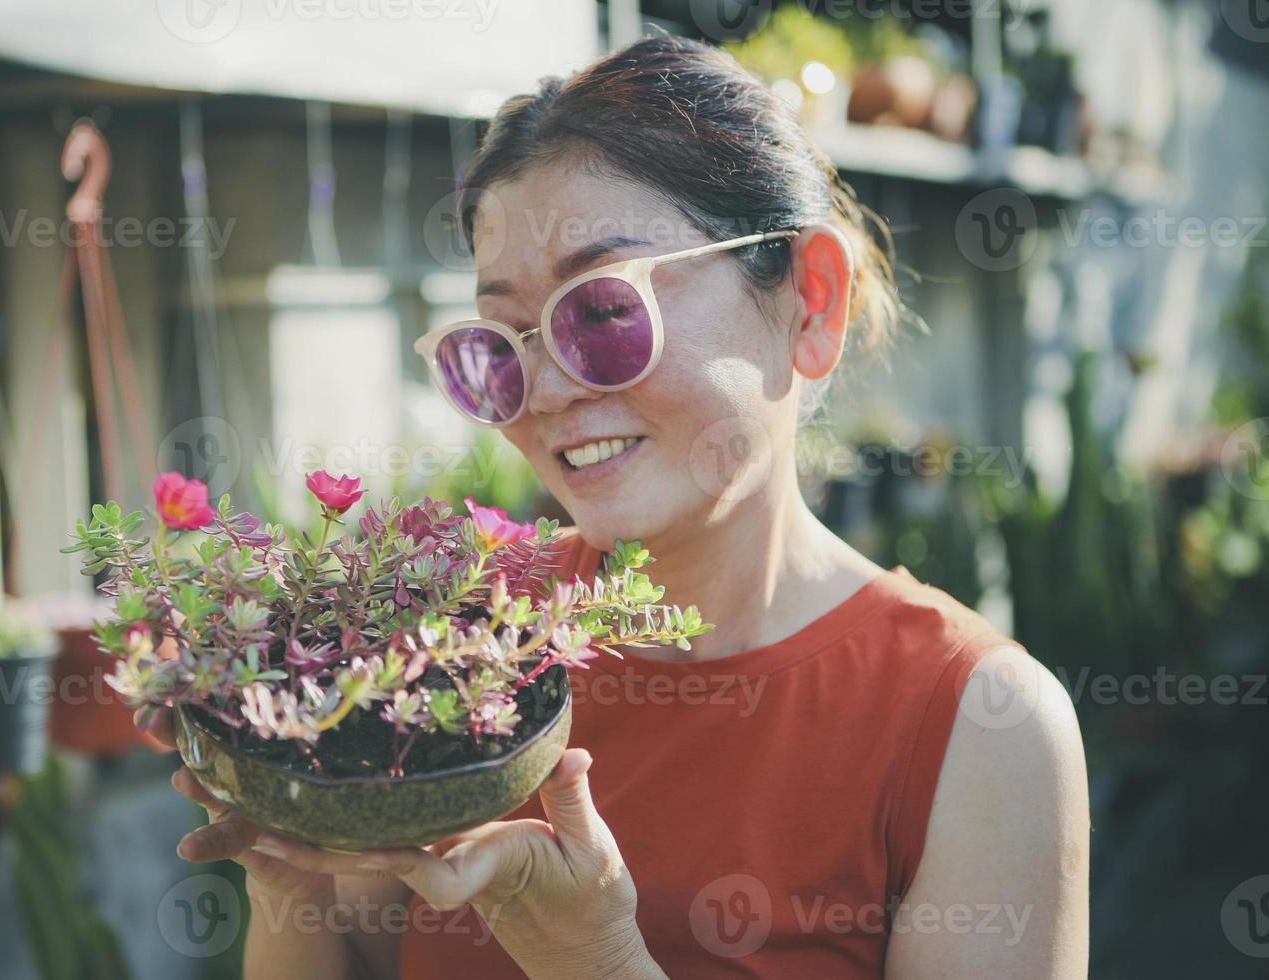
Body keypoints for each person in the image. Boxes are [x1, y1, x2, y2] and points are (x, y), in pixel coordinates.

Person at [141, 35, 1089, 978]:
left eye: (601, 312)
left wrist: (592, 959)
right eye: (502, 343)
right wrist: (288, 873)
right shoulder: (463, 638)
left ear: (811, 300)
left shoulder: (980, 726)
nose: (545, 393)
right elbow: (358, 950)